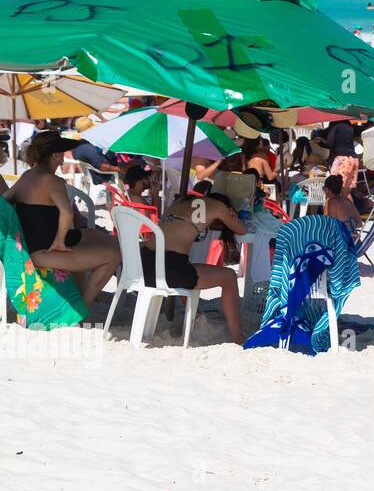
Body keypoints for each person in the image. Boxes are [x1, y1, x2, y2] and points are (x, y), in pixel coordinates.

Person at [3, 130, 122, 307]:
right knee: (113, 256)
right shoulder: (53, 181)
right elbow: (67, 214)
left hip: (31, 246)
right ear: (56, 156)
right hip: (43, 253)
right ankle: (84, 307)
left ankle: (80, 296)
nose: (64, 159)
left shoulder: (27, 176)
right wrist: (59, 242)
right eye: (62, 154)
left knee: (92, 235)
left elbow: (4, 201)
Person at [143, 192, 247, 342]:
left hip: (145, 265)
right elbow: (242, 230)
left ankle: (196, 316)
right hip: (169, 270)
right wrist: (230, 214)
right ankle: (237, 336)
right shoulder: (218, 207)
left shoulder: (179, 201)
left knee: (186, 266)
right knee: (229, 276)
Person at [324, 119, 359, 197]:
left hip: (342, 159)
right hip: (354, 159)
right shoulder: (350, 125)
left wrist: (322, 141)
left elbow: (329, 142)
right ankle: (346, 207)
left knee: (335, 187)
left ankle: (337, 207)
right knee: (347, 189)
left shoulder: (335, 125)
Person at [323, 173, 361, 239]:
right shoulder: (347, 200)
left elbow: (328, 227)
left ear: (327, 189)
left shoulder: (330, 202)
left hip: (343, 244)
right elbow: (359, 224)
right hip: (356, 241)